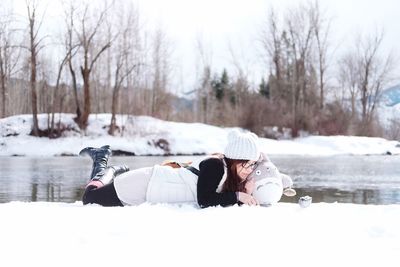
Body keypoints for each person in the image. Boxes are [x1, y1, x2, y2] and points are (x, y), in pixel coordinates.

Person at [80, 130, 261, 208]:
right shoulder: (215, 166)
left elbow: (220, 198)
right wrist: (238, 196)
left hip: (153, 190)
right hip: (146, 184)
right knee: (89, 198)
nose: (250, 168)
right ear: (236, 159)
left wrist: (244, 195)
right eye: (248, 163)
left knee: (94, 198)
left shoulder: (230, 174)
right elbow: (205, 200)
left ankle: (110, 168)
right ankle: (103, 162)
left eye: (254, 164)